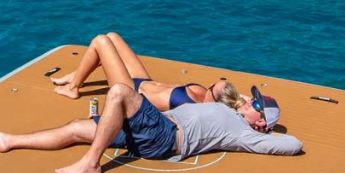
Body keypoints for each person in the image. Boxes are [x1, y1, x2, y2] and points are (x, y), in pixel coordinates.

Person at [0, 83, 302, 173]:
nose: (248, 101)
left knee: (121, 92)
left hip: (165, 136)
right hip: (156, 128)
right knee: (77, 127)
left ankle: (91, 164)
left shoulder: (246, 134)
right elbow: (221, 87)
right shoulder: (232, 111)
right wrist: (241, 106)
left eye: (255, 104)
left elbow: (294, 144)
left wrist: (265, 133)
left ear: (261, 121)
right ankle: (9, 141)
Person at [53, 32, 234, 112]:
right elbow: (235, 100)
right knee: (113, 37)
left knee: (101, 41)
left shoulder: (195, 109)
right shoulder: (206, 96)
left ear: (215, 101)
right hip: (143, 81)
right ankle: (78, 75)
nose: (209, 85)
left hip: (130, 92)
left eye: (212, 88)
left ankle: (73, 88)